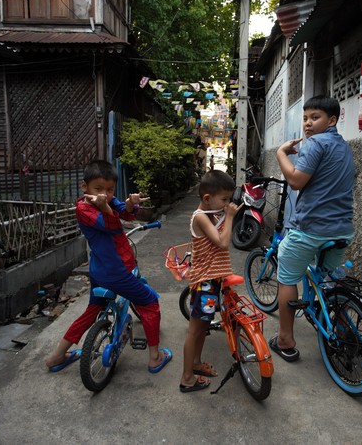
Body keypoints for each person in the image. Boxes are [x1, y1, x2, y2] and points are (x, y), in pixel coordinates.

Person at [44, 160, 172, 374]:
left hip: (100, 270)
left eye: (109, 190)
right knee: (150, 303)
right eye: (98, 189)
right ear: (85, 187)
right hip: (116, 272)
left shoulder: (107, 201)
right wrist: (105, 206)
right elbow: (112, 226)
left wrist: (130, 203)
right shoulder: (84, 209)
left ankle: (57, 356)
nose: (104, 194)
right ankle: (155, 357)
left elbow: (125, 212)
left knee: (92, 310)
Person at [270, 95, 355, 362]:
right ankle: (341, 326)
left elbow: (295, 181)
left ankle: (285, 339)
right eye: (305, 118)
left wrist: (281, 153)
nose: (307, 123)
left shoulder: (315, 144)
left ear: (332, 120)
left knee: (287, 277)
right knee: (327, 280)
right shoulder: (344, 147)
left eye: (314, 117)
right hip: (342, 230)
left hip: (310, 229)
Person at [179, 170, 240, 392]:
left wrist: (225, 215)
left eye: (229, 199)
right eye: (224, 199)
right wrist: (230, 217)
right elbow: (223, 243)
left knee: (204, 326)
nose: (227, 203)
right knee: (194, 330)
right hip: (204, 282)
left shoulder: (212, 214)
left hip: (211, 281)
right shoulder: (201, 217)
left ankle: (195, 364)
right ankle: (187, 378)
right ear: (207, 198)